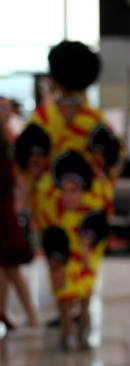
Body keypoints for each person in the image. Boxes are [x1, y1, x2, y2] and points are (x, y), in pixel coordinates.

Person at [15, 40, 122, 350]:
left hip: (53, 203)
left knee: (58, 257)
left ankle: (65, 322)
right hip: (92, 200)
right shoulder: (95, 120)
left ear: (56, 76)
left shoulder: (43, 119)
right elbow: (113, 159)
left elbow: (25, 160)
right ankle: (85, 311)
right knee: (87, 257)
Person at [0, 98, 39, 332]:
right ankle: (3, 311)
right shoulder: (7, 146)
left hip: (4, 214)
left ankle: (30, 315)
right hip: (5, 211)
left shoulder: (7, 147)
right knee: (6, 267)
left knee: (9, 266)